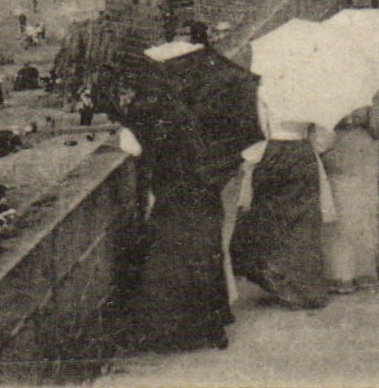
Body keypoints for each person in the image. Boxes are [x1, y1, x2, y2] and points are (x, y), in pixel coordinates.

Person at [108, 34, 263, 353]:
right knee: (205, 253)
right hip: (204, 191)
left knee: (170, 256)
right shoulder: (203, 110)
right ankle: (211, 324)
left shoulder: (146, 111)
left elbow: (131, 146)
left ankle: (173, 329)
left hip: (171, 193)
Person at [230, 96, 332, 310]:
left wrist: (251, 160)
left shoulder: (265, 89)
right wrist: (313, 147)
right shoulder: (310, 89)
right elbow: (326, 132)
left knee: (269, 215)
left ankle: (278, 278)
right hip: (302, 152)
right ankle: (303, 288)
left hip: (272, 153)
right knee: (302, 220)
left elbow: (258, 127)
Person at [320, 91, 379, 294]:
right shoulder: (366, 85)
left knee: (349, 204)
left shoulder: (336, 83)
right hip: (352, 145)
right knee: (353, 203)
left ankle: (346, 272)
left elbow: (378, 126)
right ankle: (355, 269)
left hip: (348, 145)